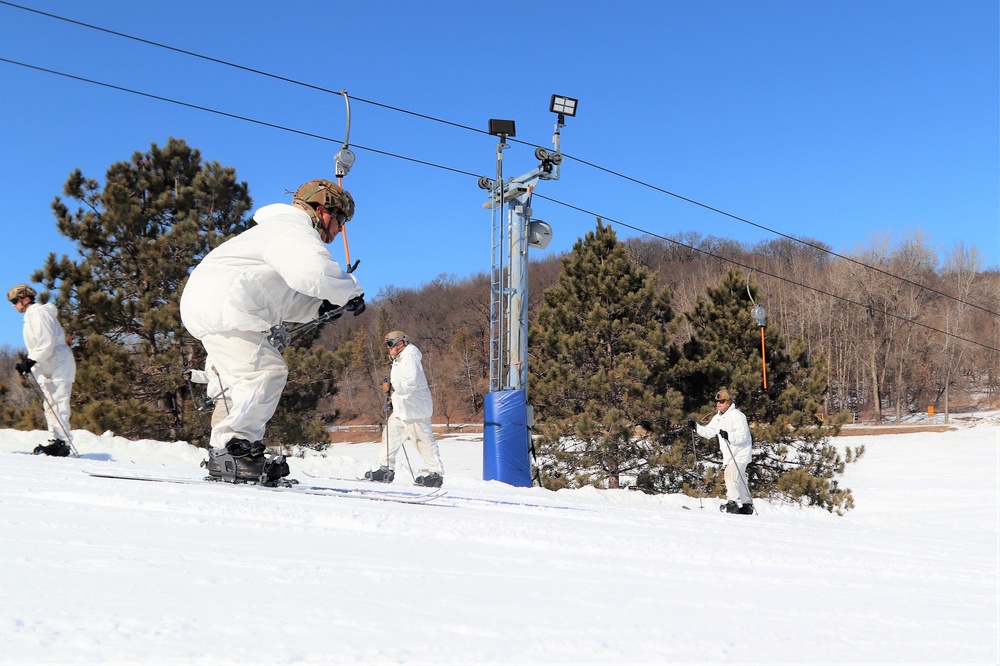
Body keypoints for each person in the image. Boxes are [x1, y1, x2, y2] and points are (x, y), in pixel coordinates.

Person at [180, 178, 365, 484]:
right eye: (340, 220)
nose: (339, 230)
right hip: (226, 306)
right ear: (322, 210)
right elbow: (315, 273)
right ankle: (232, 452)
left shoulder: (276, 232)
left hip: (217, 304)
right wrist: (350, 291)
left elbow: (278, 295)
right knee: (266, 372)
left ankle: (229, 452)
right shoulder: (293, 229)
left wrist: (316, 308)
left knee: (243, 380)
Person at [365, 330, 444, 487]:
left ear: (400, 343)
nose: (388, 348)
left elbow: (410, 383)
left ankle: (435, 474)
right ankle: (385, 469)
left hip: (415, 410)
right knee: (389, 437)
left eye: (389, 344)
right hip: (402, 409)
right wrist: (393, 399)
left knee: (423, 441)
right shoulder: (399, 358)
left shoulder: (409, 357)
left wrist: (393, 388)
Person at [8, 284, 75, 457]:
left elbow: (46, 342)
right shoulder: (31, 316)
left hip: (58, 362)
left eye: (15, 300)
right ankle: (55, 441)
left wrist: (30, 361)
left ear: (26, 299)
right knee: (50, 403)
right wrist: (28, 362)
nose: (14, 305)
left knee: (59, 402)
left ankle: (62, 443)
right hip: (47, 363)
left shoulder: (38, 313)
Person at [690, 388, 753, 514]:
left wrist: (728, 435)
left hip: (740, 453)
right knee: (739, 478)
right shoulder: (718, 418)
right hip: (730, 454)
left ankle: (732, 503)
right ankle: (747, 505)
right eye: (717, 401)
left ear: (728, 403)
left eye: (722, 401)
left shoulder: (737, 416)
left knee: (730, 475)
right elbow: (709, 432)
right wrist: (696, 427)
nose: (718, 404)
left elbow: (743, 436)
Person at [184, 358, 233, 430]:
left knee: (219, 425)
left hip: (227, 396)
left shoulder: (224, 351)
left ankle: (230, 440)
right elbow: (210, 376)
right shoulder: (211, 354)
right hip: (218, 397)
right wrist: (192, 375)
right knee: (221, 425)